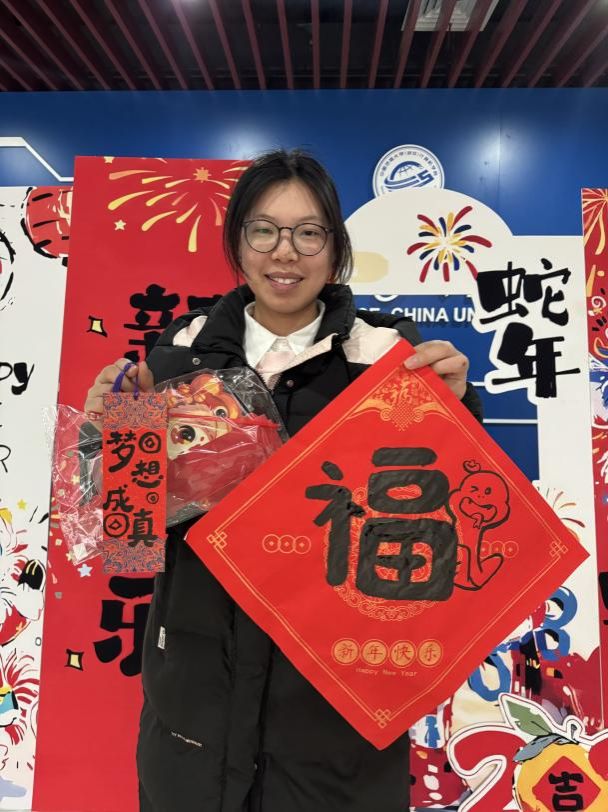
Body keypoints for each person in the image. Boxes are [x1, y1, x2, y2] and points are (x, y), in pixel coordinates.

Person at [85, 149, 482, 812]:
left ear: (336, 247)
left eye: (308, 232)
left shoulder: (386, 360)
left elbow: (447, 525)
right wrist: (111, 434)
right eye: (264, 230)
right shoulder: (178, 354)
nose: (284, 253)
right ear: (238, 243)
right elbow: (130, 535)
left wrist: (460, 408)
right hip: (195, 716)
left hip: (335, 722)